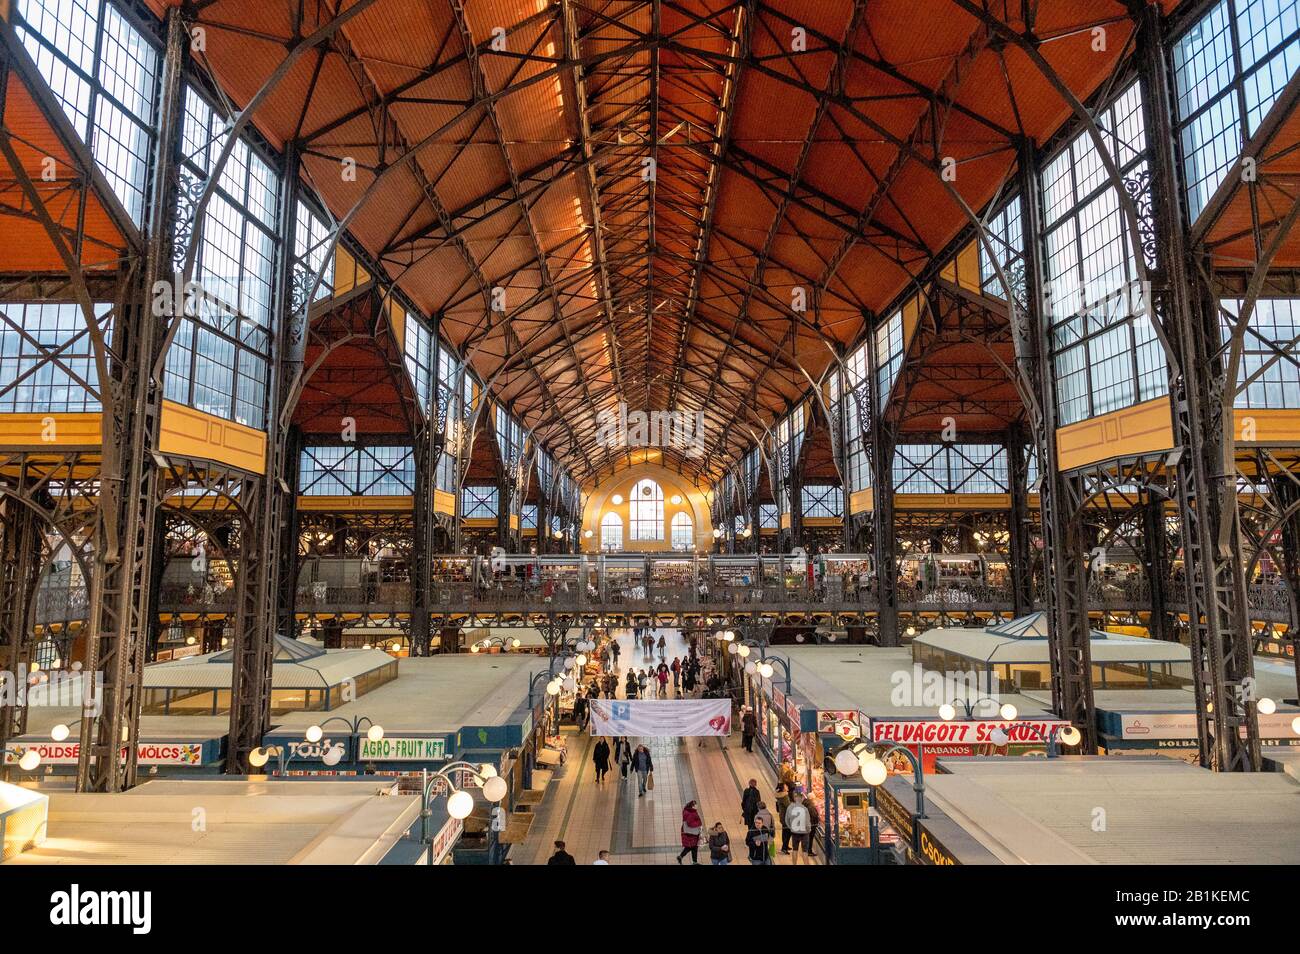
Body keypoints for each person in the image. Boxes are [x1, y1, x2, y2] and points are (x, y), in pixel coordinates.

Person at [785, 792, 811, 865]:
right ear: (802, 799)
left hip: (795, 832)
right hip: (804, 832)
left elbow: (786, 819)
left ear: (795, 798)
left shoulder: (790, 807)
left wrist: (791, 827)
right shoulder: (805, 809)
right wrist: (809, 830)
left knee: (795, 849)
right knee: (805, 851)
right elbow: (807, 822)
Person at [775, 783, 792, 854]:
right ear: (783, 788)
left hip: (783, 817)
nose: (787, 786)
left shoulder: (781, 795)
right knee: (787, 832)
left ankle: (785, 846)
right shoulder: (784, 796)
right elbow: (788, 806)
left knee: (785, 831)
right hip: (786, 817)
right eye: (785, 786)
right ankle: (784, 848)